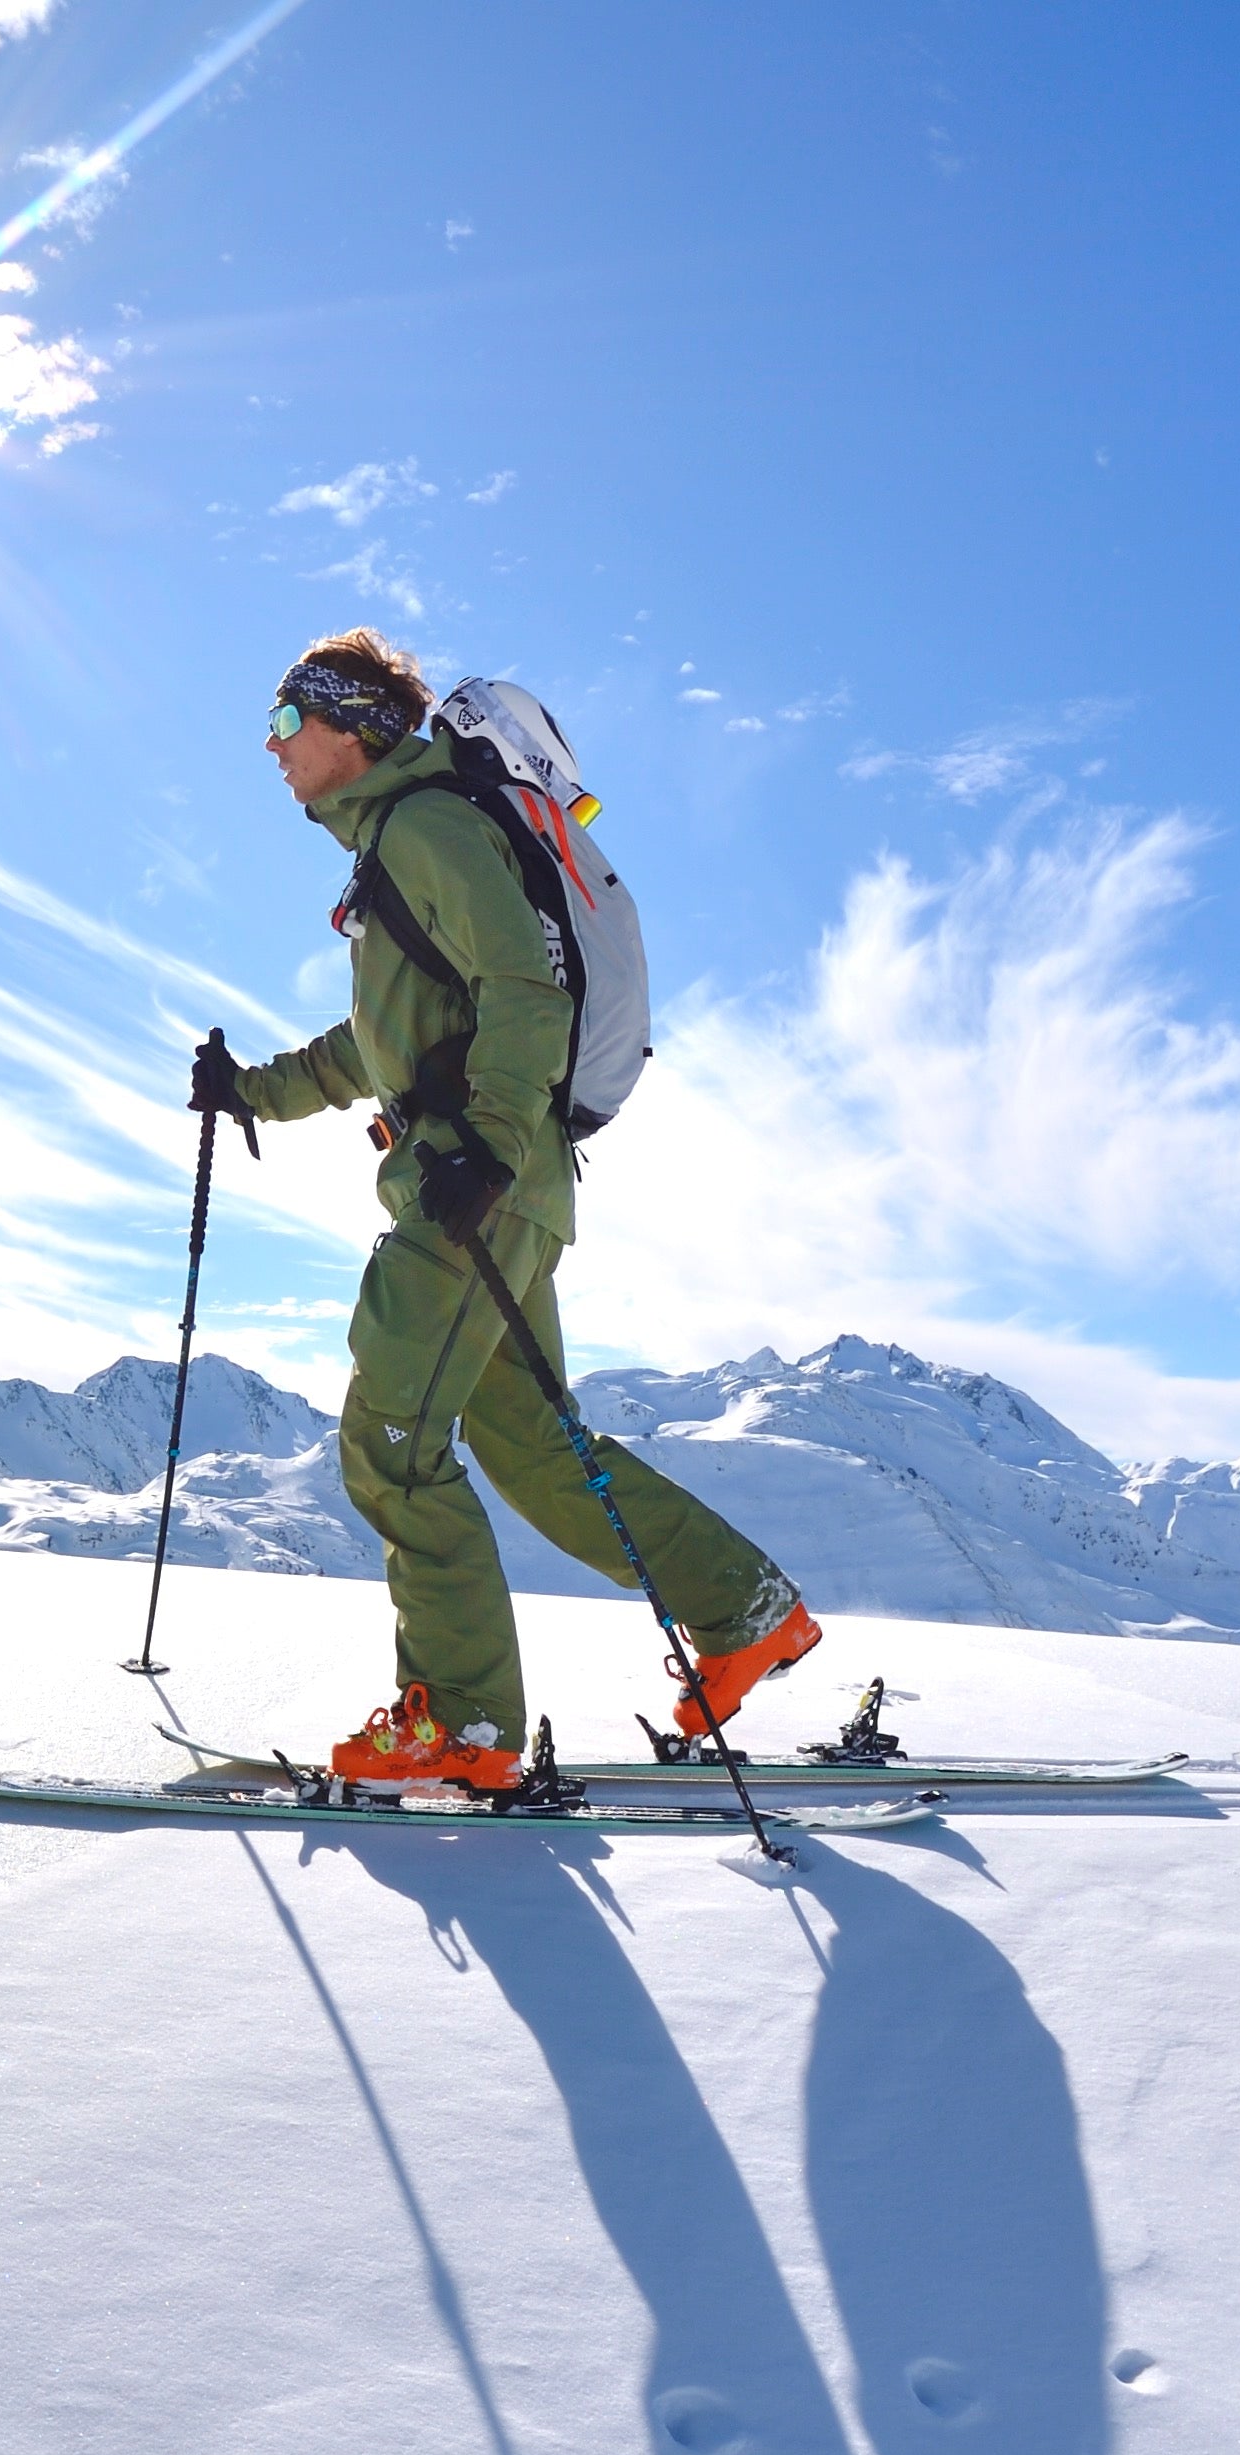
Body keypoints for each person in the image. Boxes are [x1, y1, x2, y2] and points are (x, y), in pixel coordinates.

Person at [193, 629, 821, 1786]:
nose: (271, 747)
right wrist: (251, 1091)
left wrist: (484, 1144)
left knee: (389, 1444)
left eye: (286, 722)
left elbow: (525, 991)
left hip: (472, 1191)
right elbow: (377, 1045)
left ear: (349, 727)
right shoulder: (400, 846)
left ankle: (461, 1722)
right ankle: (744, 1611)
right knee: (535, 1450)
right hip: (506, 1188)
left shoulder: (426, 829)